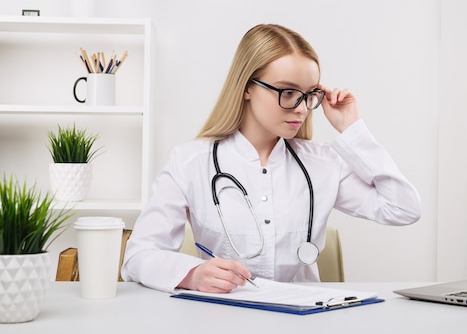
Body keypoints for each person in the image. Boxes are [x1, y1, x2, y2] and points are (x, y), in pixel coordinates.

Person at [121, 24, 421, 293]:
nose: (302, 108)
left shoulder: (324, 163)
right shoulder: (190, 161)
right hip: (223, 321)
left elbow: (403, 208)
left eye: (309, 94)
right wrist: (193, 275)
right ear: (248, 88)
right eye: (288, 92)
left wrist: (352, 130)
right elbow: (138, 256)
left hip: (304, 323)